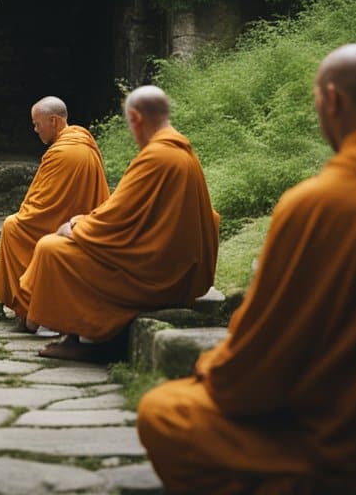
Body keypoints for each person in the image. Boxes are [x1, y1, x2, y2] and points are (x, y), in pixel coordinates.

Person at [138, 44, 356, 492]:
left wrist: (212, 371)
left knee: (163, 411)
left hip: (337, 440)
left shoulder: (315, 204)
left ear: (331, 100)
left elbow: (261, 354)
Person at [18, 85, 219, 362]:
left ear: (136, 119)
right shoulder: (182, 150)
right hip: (173, 266)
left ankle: (81, 338)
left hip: (153, 274)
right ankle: (81, 333)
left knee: (52, 249)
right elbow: (130, 213)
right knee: (60, 244)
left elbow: (116, 217)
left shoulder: (156, 157)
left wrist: (76, 227)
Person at [0, 96, 110, 331]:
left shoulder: (63, 152)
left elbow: (41, 208)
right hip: (81, 221)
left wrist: (23, 217)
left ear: (54, 121)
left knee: (13, 227)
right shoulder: (83, 141)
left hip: (67, 225)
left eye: (38, 124)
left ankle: (27, 310)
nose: (35, 129)